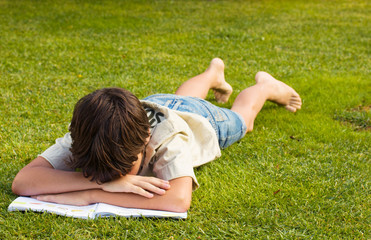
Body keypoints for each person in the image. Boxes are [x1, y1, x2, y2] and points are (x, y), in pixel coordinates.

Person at [12, 58, 302, 212]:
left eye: (122, 170)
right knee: (181, 97)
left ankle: (265, 86)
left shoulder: (168, 138)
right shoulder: (92, 133)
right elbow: (24, 181)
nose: (112, 178)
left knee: (243, 119)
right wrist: (108, 183)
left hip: (205, 120)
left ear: (146, 141)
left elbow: (177, 201)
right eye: (101, 173)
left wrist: (91, 193)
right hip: (160, 103)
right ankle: (214, 72)